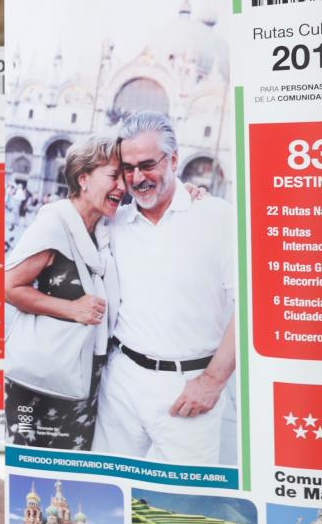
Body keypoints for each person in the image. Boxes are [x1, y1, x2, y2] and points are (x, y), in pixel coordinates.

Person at [92, 111, 236, 464]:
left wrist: (213, 382)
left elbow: (255, 306)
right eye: (129, 168)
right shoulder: (116, 221)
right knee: (106, 489)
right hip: (121, 383)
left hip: (187, 387)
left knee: (181, 503)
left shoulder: (218, 218)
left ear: (173, 159)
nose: (138, 177)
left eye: (148, 164)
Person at [4, 135, 124, 449]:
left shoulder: (101, 230)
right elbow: (9, 286)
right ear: (83, 178)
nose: (122, 186)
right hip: (43, 380)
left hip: (87, 375)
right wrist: (72, 309)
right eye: (114, 176)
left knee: (74, 469)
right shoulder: (55, 224)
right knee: (37, 468)